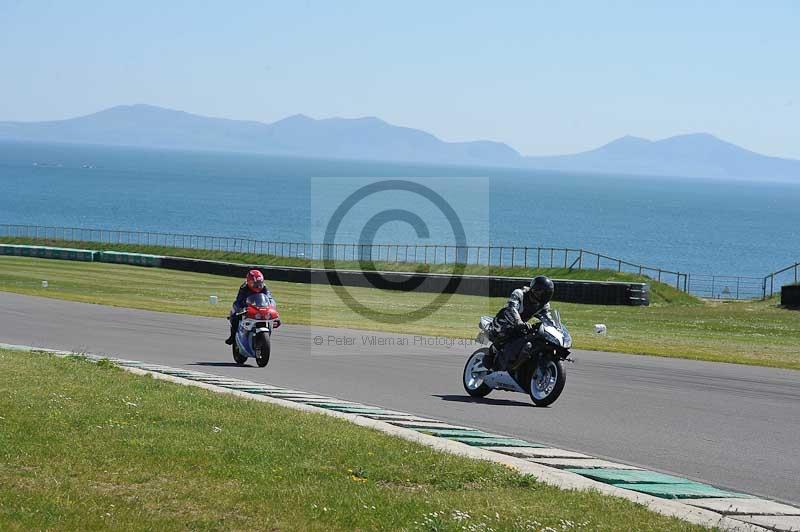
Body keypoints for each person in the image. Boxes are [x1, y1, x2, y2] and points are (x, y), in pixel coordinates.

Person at [486, 275, 554, 370]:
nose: (544, 296)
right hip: (502, 321)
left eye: (548, 293)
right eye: (542, 292)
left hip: (521, 325)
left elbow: (548, 319)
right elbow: (512, 308)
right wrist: (519, 322)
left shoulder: (544, 305)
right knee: (506, 331)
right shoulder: (519, 293)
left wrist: (555, 328)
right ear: (534, 289)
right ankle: (491, 353)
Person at [225, 269, 275, 345]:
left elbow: (270, 298)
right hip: (247, 306)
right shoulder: (244, 287)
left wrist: (272, 306)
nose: (258, 286)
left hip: (260, 307)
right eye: (255, 284)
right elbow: (239, 300)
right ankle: (233, 336)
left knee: (268, 318)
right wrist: (240, 309)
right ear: (249, 282)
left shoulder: (264, 287)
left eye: (260, 283)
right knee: (235, 314)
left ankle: (264, 338)